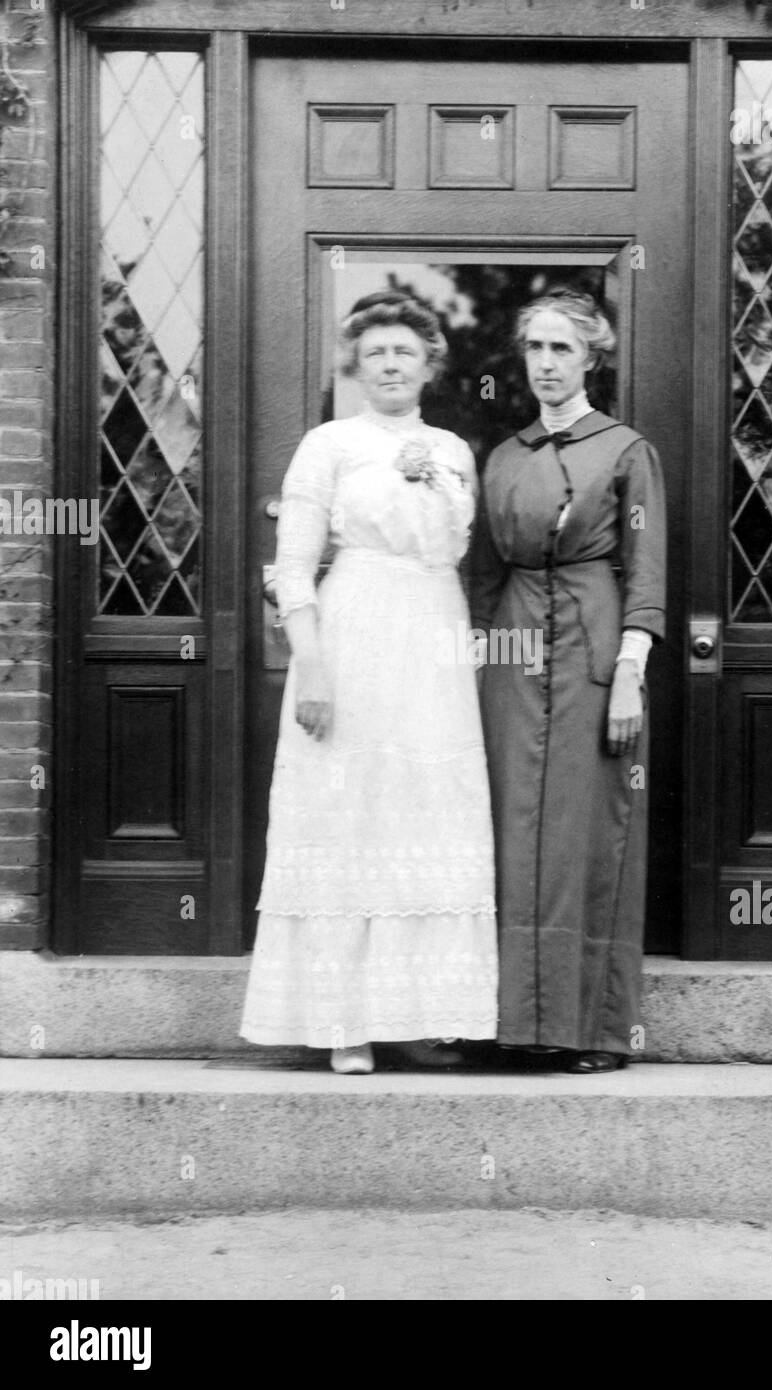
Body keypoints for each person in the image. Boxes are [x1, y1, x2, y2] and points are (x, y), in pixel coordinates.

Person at [241, 290, 498, 1073]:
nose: (390, 365)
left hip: (432, 634)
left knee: (425, 813)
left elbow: (456, 545)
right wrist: (312, 666)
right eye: (377, 353)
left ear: (428, 367)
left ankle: (417, 1013)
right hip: (352, 634)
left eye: (405, 353)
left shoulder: (454, 449)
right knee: (348, 815)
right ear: (356, 365)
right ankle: (341, 1019)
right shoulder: (329, 443)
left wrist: (432, 482)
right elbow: (292, 566)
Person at [470, 287, 666, 1073]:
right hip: (511, 650)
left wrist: (627, 676)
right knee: (508, 825)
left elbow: (646, 572)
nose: (546, 364)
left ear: (591, 357)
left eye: (561, 349)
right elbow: (482, 577)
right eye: (534, 349)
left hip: (592, 640)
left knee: (587, 832)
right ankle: (504, 1022)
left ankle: (591, 1028)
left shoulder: (624, 450)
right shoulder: (503, 456)